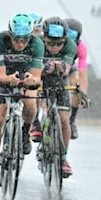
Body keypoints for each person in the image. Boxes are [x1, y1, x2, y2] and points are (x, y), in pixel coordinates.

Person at [0, 13, 44, 186]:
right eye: (17, 39)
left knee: (30, 104)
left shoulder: (37, 44)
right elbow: (0, 76)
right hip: (2, 77)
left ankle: (25, 131)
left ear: (30, 36)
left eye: (24, 40)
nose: (20, 44)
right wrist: (9, 79)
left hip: (23, 75)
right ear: (10, 35)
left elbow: (36, 77)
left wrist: (31, 80)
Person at [31, 17, 77, 177]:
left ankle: (63, 157)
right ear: (44, 38)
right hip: (40, 78)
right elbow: (33, 70)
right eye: (50, 43)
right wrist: (44, 69)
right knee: (32, 92)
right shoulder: (36, 43)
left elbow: (67, 70)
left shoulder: (70, 45)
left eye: (59, 44)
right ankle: (35, 122)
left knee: (64, 119)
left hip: (59, 81)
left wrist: (61, 67)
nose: (54, 47)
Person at [65, 18, 91, 139]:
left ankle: (72, 120)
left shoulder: (81, 47)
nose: (70, 38)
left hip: (69, 69)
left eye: (73, 35)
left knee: (75, 84)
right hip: (51, 67)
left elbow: (83, 73)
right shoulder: (53, 41)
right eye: (68, 34)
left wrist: (83, 93)